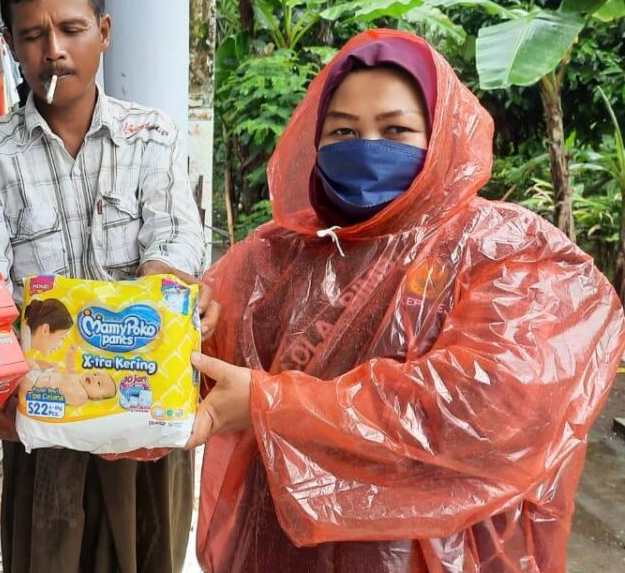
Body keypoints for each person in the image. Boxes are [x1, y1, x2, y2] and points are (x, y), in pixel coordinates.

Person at [186, 29, 625, 572]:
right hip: (279, 552)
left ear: (440, 134)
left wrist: (268, 404)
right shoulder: (273, 260)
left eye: (395, 130)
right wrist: (179, 327)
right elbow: (181, 390)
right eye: (343, 131)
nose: (367, 148)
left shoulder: (505, 251)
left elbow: (479, 416)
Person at [0, 0, 216, 573]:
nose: (55, 51)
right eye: (33, 36)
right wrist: (1, 395)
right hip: (45, 413)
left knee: (150, 552)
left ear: (104, 31)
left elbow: (175, 242)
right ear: (11, 44)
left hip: (145, 400)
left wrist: (152, 312)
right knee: (48, 554)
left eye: (72, 29)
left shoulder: (152, 135)